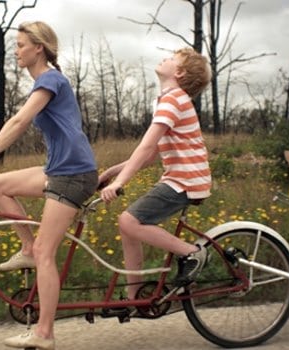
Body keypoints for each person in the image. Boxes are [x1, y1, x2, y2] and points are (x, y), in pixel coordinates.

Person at [0, 21, 97, 350]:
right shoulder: (45, 80)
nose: (17, 50)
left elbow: (19, 121)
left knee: (46, 252)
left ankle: (44, 333)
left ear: (39, 47)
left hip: (74, 174)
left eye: (21, 44)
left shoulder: (50, 78)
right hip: (58, 169)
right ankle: (27, 250)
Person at [98, 47, 212, 301]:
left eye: (172, 59)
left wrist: (119, 182)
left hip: (185, 180)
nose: (165, 58)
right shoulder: (169, 99)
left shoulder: (173, 99)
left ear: (179, 72)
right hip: (182, 178)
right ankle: (134, 295)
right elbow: (151, 155)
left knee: (129, 221)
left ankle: (192, 253)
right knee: (128, 226)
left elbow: (147, 146)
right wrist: (111, 172)